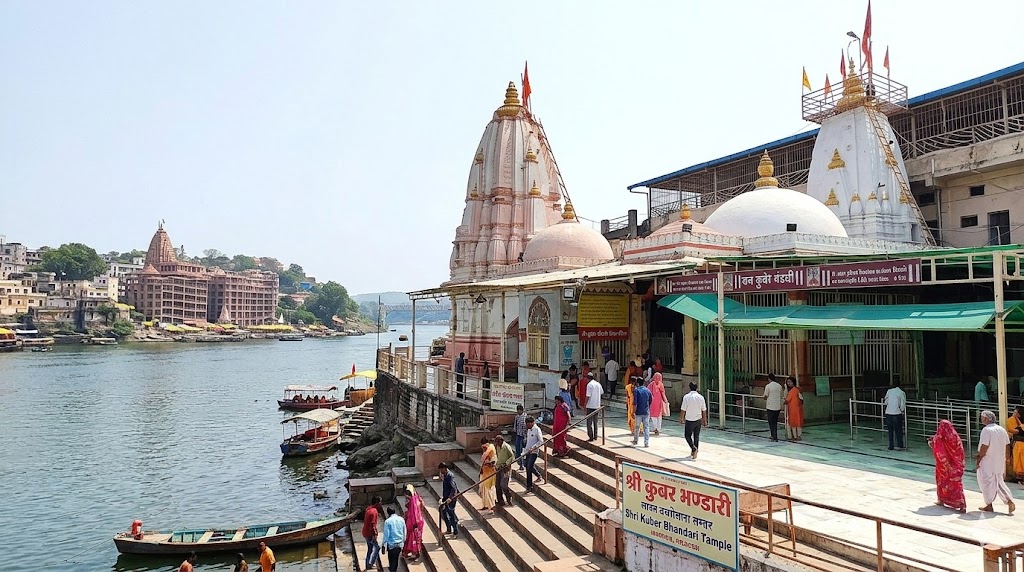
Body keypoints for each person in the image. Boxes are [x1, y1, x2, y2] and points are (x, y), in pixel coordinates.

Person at [977, 410, 1015, 514]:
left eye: (982, 417)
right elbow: (1008, 445)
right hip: (999, 462)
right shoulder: (1001, 429)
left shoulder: (986, 430)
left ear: (986, 419)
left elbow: (984, 446)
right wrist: (1007, 458)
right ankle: (996, 503)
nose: (981, 419)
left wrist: (979, 459)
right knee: (998, 481)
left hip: (988, 462)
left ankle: (1001, 501)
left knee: (985, 482)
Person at [927, 420, 967, 512]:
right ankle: (961, 505)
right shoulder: (956, 437)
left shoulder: (939, 438)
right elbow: (960, 452)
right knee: (957, 485)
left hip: (943, 467)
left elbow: (940, 452)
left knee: (942, 483)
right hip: (956, 466)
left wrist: (932, 443)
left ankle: (941, 500)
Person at [679, 382, 708, 459]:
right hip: (698, 419)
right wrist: (704, 420)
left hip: (689, 419)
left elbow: (683, 409)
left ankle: (693, 448)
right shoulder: (701, 397)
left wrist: (681, 418)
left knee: (687, 435)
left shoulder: (686, 397)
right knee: (696, 436)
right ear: (696, 388)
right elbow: (704, 410)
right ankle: (695, 452)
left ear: (689, 387)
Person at [402, 484, 425, 559]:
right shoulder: (417, 498)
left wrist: (415, 524)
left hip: (414, 522)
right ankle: (408, 552)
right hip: (417, 520)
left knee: (414, 538)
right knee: (411, 537)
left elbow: (414, 513)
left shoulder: (413, 501)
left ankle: (415, 553)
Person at [883, 380, 907, 451]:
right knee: (898, 430)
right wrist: (901, 410)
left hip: (888, 412)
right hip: (897, 413)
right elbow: (902, 404)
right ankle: (900, 445)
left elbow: (886, 401)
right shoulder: (901, 393)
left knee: (890, 430)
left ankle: (891, 445)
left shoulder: (889, 391)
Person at [382, 507, 407, 572]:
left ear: (388, 513)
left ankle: (392, 570)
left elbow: (386, 535)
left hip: (391, 544)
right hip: (400, 543)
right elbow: (404, 531)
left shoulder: (388, 521)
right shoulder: (401, 519)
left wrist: (383, 545)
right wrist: (404, 541)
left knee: (391, 559)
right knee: (395, 559)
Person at [438, 462, 460, 536]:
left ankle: (455, 530)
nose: (440, 471)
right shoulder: (445, 475)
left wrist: (450, 498)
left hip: (451, 499)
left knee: (451, 514)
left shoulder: (450, 476)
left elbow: (453, 488)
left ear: (444, 468)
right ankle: (449, 529)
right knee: (443, 512)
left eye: (441, 469)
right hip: (445, 497)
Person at [493, 434, 515, 507]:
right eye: (496, 442)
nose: (497, 443)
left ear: (502, 441)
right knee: (497, 485)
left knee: (503, 484)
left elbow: (512, 457)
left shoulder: (506, 447)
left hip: (505, 468)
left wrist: (507, 463)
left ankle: (509, 498)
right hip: (498, 467)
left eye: (498, 442)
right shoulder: (497, 447)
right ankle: (500, 501)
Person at [524, 416, 545, 492]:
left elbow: (540, 441)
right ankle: (538, 475)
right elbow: (528, 441)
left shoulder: (537, 430)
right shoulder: (529, 430)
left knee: (529, 467)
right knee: (526, 465)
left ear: (532, 423)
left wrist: (533, 447)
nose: (527, 426)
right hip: (528, 451)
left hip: (534, 452)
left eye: (528, 424)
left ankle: (529, 486)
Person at [362, 496, 382, 570]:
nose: (381, 504)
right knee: (377, 547)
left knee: (370, 548)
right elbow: (373, 525)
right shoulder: (374, 511)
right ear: (377, 503)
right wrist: (375, 535)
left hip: (365, 532)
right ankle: (371, 563)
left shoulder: (369, 508)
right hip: (369, 533)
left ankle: (367, 564)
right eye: (380, 502)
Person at [632, 378, 653, 448]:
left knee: (637, 427)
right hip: (646, 412)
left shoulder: (636, 390)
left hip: (638, 412)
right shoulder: (648, 390)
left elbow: (635, 403)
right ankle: (646, 442)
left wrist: (633, 411)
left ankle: (636, 440)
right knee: (646, 427)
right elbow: (650, 400)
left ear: (637, 383)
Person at [763, 373, 783, 442]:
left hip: (770, 406)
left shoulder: (768, 386)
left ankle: (773, 436)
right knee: (775, 422)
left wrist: (764, 398)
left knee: (771, 422)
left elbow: (765, 396)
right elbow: (781, 395)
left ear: (769, 379)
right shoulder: (779, 386)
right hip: (777, 406)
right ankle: (775, 436)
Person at [478, 436, 497, 511]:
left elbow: (493, 462)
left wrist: (487, 463)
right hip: (484, 472)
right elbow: (483, 461)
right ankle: (485, 505)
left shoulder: (491, 449)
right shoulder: (486, 450)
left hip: (490, 473)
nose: (483, 448)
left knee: (489, 490)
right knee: (483, 489)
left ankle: (491, 506)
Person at [1007, 406, 1024, 484]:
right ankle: (1018, 477)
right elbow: (1013, 430)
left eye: (1016, 412)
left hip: (1021, 443)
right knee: (1017, 460)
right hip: (1018, 443)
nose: (1015, 414)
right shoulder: (1011, 420)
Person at [784, 377, 804, 442]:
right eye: (788, 382)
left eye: (790, 382)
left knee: (793, 423)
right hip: (798, 409)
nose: (789, 383)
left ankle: (795, 436)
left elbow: (787, 400)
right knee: (798, 423)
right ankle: (798, 436)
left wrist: (784, 401)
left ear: (793, 382)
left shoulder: (792, 391)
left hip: (793, 409)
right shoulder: (798, 390)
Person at [585, 371, 602, 442]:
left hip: (590, 406)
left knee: (589, 422)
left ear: (588, 378)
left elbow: (588, 396)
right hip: (597, 405)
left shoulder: (589, 385)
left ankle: (591, 436)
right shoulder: (598, 384)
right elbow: (601, 392)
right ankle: (595, 436)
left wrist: (585, 404)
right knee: (595, 422)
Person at [513, 405, 527, 470]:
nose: (518, 412)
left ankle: (522, 465)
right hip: (518, 435)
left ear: (521, 410)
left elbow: (526, 427)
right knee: (518, 451)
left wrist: (525, 437)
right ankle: (520, 464)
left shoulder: (525, 417)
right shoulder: (517, 417)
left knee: (522, 451)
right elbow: (515, 426)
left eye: (519, 410)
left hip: (524, 436)